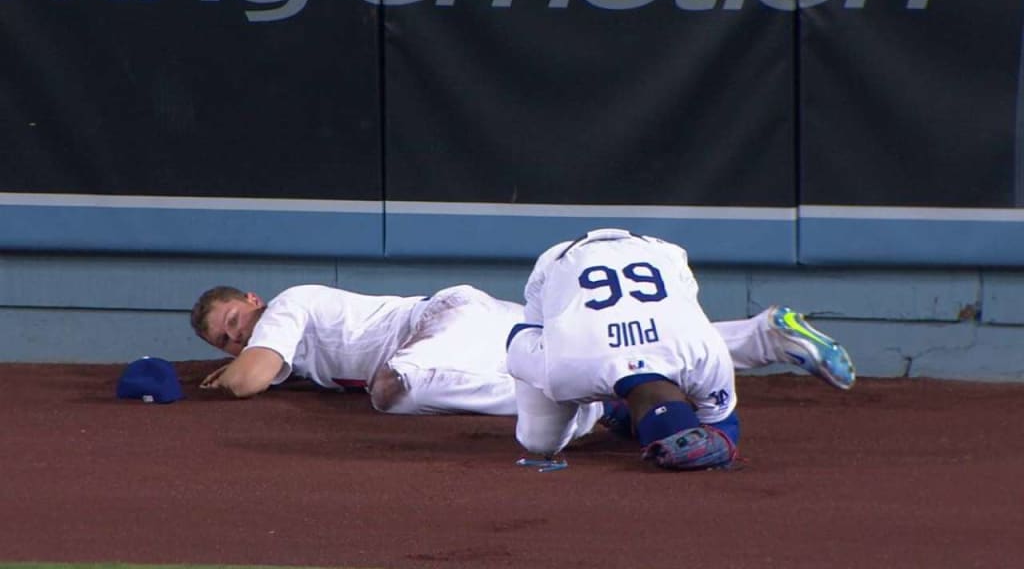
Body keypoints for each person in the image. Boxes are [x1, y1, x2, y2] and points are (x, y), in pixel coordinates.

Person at [189, 274, 854, 420]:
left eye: (234, 322)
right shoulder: (284, 346)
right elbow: (265, 371)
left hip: (437, 325)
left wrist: (226, 373)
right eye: (225, 339)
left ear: (252, 300)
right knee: (606, 343)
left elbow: (250, 379)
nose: (237, 336)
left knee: (393, 393)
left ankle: (576, 407)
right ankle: (767, 335)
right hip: (469, 322)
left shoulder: (288, 308)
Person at [505, 228, 854, 471]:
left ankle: (764, 337)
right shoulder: (567, 373)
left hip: (655, 256)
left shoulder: (704, 358)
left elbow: (723, 427)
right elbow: (518, 344)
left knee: (542, 441)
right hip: (574, 262)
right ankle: (762, 336)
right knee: (540, 443)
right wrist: (551, 332)